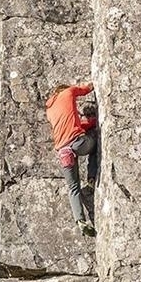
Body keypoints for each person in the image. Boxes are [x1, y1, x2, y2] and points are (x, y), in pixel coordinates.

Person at [46, 82, 98, 237]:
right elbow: (86, 88)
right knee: (95, 142)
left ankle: (80, 220)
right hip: (78, 143)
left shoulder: (50, 110)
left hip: (63, 151)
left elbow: (70, 123)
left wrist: (87, 122)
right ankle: (91, 179)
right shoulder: (68, 92)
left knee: (73, 187)